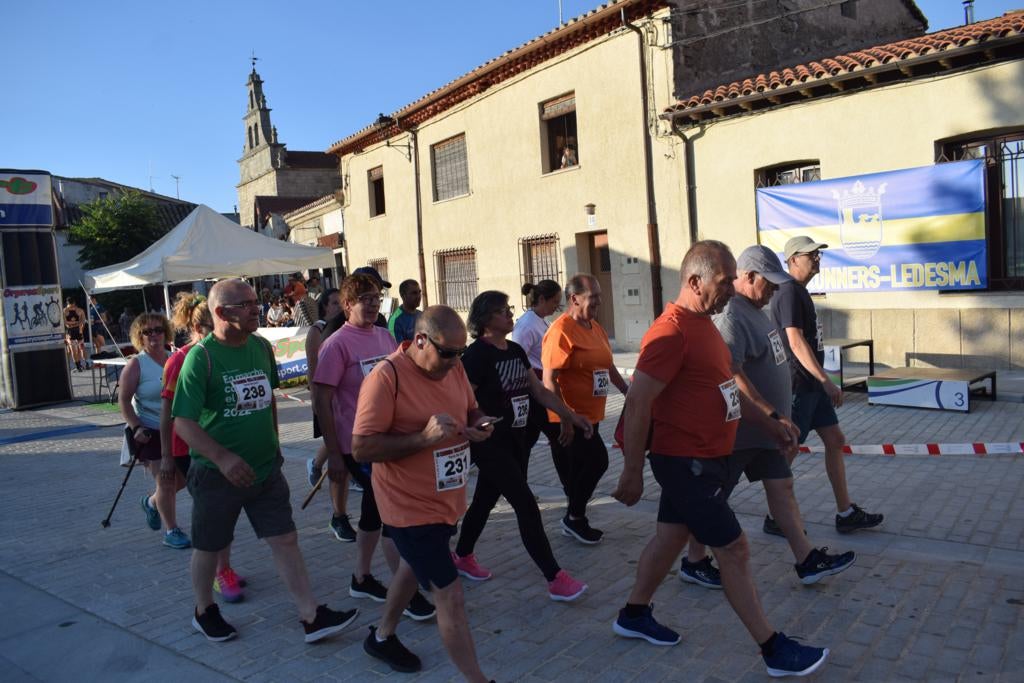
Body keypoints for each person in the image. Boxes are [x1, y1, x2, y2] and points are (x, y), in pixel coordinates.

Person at [611, 240, 830, 678]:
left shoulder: (705, 325)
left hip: (707, 457)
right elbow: (637, 404)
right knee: (733, 547)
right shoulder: (670, 332)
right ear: (695, 282)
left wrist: (770, 422)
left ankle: (633, 615)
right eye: (724, 280)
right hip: (684, 462)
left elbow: (726, 384)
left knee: (670, 539)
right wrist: (632, 472)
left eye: (733, 279)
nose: (731, 287)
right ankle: (772, 648)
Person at [172, 278, 358, 643]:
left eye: (255, 301)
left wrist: (274, 444)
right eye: (246, 304)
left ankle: (310, 615)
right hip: (216, 474)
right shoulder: (201, 357)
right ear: (222, 312)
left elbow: (268, 397)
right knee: (209, 546)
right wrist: (222, 458)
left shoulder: (259, 346)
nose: (256, 308)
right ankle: (203, 610)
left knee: (286, 538)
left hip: (264, 469)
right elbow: (182, 421)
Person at [679, 246, 855, 589]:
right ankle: (693, 559)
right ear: (747, 277)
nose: (773, 290)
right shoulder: (731, 316)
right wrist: (768, 412)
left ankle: (806, 561)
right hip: (742, 430)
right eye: (768, 283)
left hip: (764, 431)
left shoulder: (756, 309)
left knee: (783, 488)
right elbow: (729, 372)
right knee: (715, 497)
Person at [351, 306, 494, 679]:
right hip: (408, 507)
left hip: (446, 499)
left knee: (412, 567)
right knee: (450, 595)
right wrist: (422, 439)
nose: (454, 361)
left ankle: (381, 637)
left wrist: (478, 423)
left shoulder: (454, 366)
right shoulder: (386, 378)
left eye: (460, 353)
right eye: (447, 352)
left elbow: (471, 408)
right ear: (420, 340)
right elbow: (362, 448)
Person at [451, 290, 591, 601]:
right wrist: (471, 425)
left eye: (508, 308)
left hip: (517, 441)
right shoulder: (475, 357)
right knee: (526, 504)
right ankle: (554, 577)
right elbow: (461, 400)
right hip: (490, 444)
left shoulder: (513, 350)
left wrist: (569, 415)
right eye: (503, 310)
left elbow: (538, 391)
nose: (510, 314)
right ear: (487, 318)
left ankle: (462, 555)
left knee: (485, 499)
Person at [314, 274, 435, 621]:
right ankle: (407, 592)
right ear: (348, 304)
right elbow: (322, 400)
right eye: (363, 298)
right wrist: (333, 455)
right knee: (391, 515)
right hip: (357, 446)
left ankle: (362, 577)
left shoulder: (384, 336)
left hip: (388, 439)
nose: (371, 303)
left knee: (372, 513)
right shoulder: (336, 344)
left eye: (375, 298)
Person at [769, 236, 884, 534]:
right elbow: (794, 342)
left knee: (834, 440)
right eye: (811, 254)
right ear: (794, 259)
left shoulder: (801, 292)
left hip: (813, 386)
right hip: (800, 385)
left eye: (819, 254)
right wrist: (825, 380)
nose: (817, 258)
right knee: (789, 449)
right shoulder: (788, 292)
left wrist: (822, 383)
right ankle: (776, 516)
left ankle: (845, 513)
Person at [161, 293, 247, 599]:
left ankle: (225, 567)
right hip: (187, 450)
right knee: (211, 515)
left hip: (217, 448)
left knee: (223, 513)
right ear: (200, 328)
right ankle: (219, 573)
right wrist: (166, 458)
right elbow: (168, 413)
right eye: (213, 329)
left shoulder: (225, 353)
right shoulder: (182, 359)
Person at [541, 273, 628, 544]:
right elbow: (548, 380)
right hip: (570, 416)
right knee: (597, 461)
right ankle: (574, 518)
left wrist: (628, 391)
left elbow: (608, 366)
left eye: (600, 296)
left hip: (592, 413)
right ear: (574, 299)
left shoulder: (595, 327)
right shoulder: (561, 331)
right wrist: (566, 417)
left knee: (580, 469)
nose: (600, 302)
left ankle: (574, 514)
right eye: (594, 297)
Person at [118, 312, 182, 547]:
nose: (154, 335)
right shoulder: (136, 364)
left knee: (182, 480)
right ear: (139, 336)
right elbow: (124, 400)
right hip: (150, 431)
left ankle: (152, 502)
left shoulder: (174, 358)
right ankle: (172, 530)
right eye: (147, 331)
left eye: (158, 330)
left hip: (178, 429)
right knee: (166, 481)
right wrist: (136, 427)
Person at [303, 289, 356, 542]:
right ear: (324, 306)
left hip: (352, 404)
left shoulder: (350, 328)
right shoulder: (318, 331)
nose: (339, 306)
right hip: (330, 402)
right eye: (334, 302)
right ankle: (339, 515)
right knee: (338, 459)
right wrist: (317, 401)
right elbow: (315, 370)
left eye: (341, 302)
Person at [511, 279, 562, 460]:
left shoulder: (540, 320)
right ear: (542, 299)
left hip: (542, 386)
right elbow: (517, 358)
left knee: (527, 439)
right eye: (554, 301)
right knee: (558, 434)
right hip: (535, 389)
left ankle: (518, 477)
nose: (557, 306)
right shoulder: (527, 325)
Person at [387, 279, 422, 343]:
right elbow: (398, 350)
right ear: (403, 295)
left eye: (419, 292)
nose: (418, 296)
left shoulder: (422, 315)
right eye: (414, 293)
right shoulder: (395, 320)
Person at [63, 298, 86, 371]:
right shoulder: (80, 310)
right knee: (78, 349)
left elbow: (65, 322)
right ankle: (82, 364)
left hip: (71, 331)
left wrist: (72, 324)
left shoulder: (65, 311)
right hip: (76, 331)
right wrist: (78, 325)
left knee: (76, 349)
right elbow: (83, 321)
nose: (72, 306)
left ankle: (79, 365)